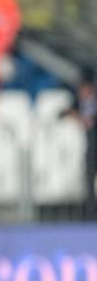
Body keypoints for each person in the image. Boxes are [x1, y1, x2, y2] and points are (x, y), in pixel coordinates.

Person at [63, 77, 97, 219]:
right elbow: (63, 113)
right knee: (89, 181)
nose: (83, 92)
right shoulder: (77, 103)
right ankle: (90, 212)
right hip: (89, 149)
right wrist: (80, 119)